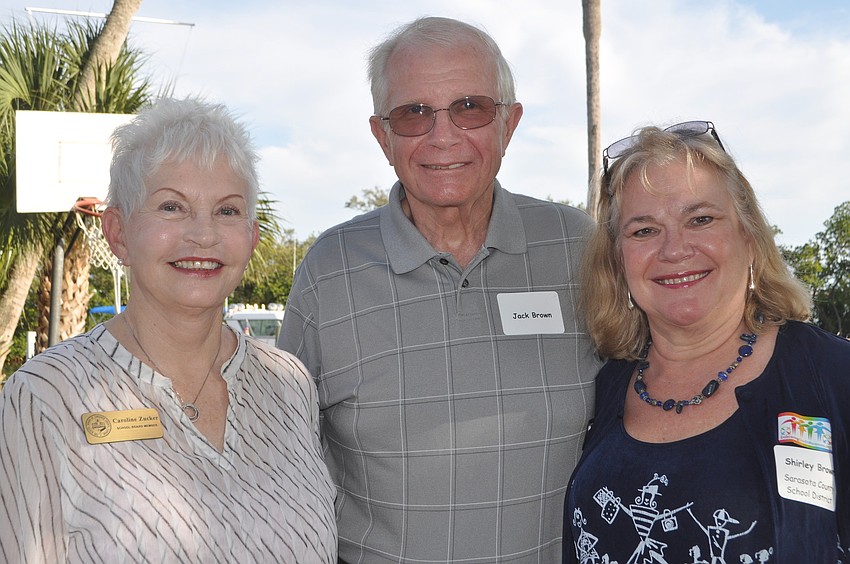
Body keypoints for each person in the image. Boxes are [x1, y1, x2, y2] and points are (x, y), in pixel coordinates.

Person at [279, 16, 601, 563]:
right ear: (382, 136)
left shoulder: (579, 249)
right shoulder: (328, 270)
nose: (443, 135)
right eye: (414, 113)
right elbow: (284, 460)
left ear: (509, 123)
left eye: (470, 107)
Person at [0, 98, 337, 562]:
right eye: (172, 206)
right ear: (117, 232)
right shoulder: (44, 397)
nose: (203, 234)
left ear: (252, 236)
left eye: (227, 211)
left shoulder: (288, 384)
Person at [563, 121, 850, 563]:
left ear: (750, 238)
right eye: (644, 230)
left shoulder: (833, 377)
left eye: (700, 219)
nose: (674, 249)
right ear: (618, 261)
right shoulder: (603, 387)